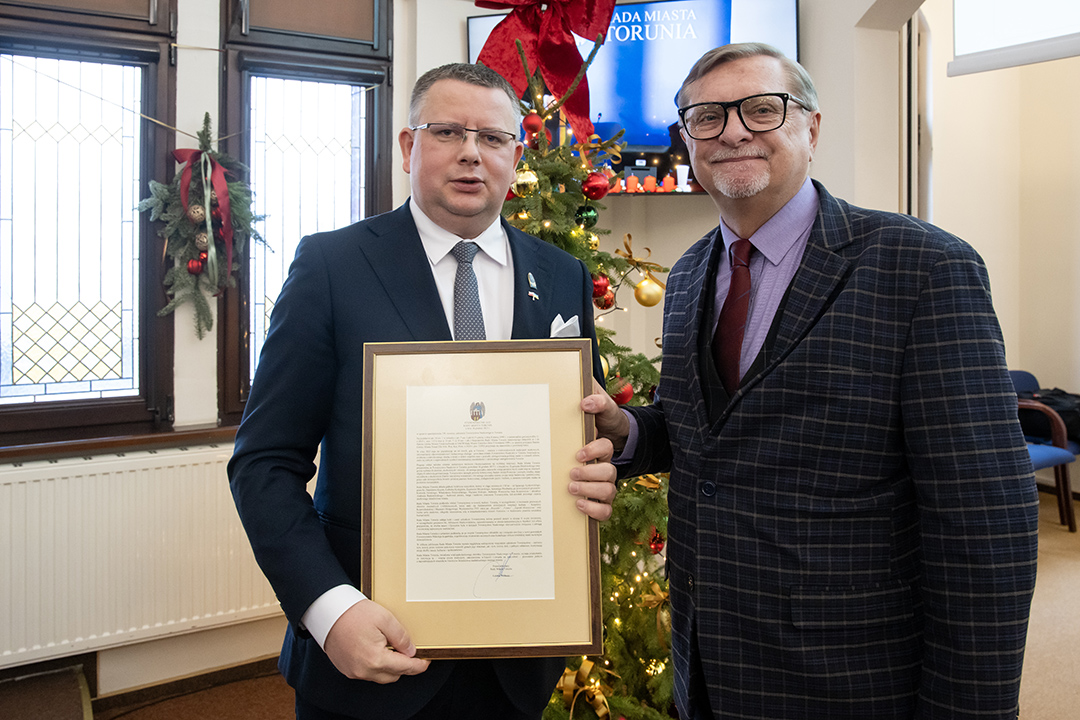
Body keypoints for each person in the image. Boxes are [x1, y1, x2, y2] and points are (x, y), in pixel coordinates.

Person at [582, 43, 1038, 719]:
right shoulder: (683, 277)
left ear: (811, 128)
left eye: (762, 109)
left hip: (855, 677)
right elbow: (703, 435)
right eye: (706, 116)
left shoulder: (921, 269)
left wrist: (971, 708)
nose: (733, 130)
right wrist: (628, 431)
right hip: (706, 664)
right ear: (687, 141)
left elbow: (984, 524)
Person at [228, 62, 617, 720]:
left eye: (492, 138)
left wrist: (599, 464)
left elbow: (586, 427)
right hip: (370, 653)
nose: (472, 153)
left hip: (518, 661)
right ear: (410, 147)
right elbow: (264, 463)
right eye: (448, 132)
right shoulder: (331, 266)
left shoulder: (561, 275)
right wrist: (331, 610)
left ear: (515, 155)